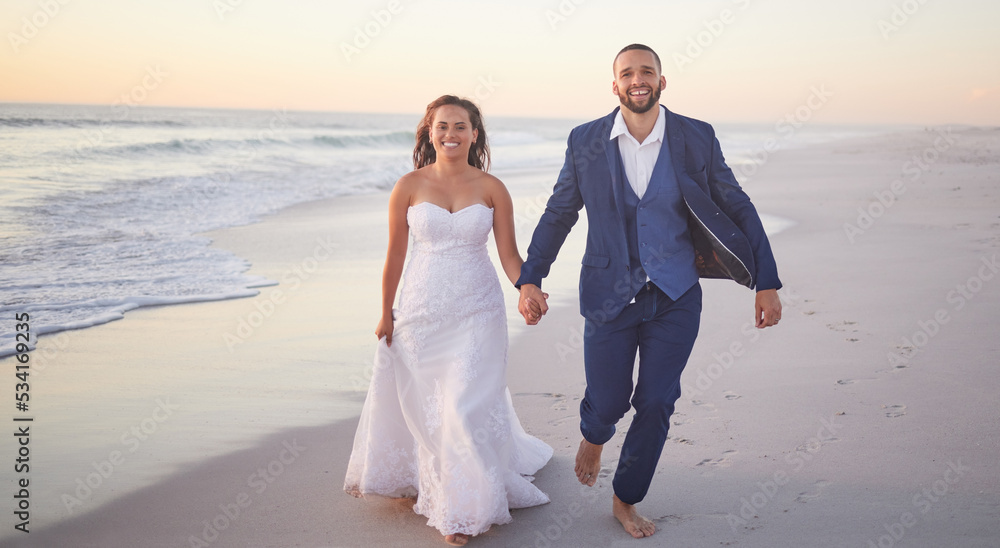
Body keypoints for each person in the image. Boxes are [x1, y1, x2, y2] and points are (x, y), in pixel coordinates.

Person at [515, 44, 783, 539]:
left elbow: (737, 203)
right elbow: (560, 212)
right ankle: (594, 434)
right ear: (614, 85)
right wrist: (532, 276)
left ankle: (625, 497)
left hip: (675, 294)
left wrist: (764, 280)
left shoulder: (696, 137)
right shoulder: (584, 141)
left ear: (662, 81)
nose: (637, 80)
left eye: (647, 72)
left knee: (657, 400)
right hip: (607, 291)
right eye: (627, 74)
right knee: (609, 399)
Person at [344, 95, 552, 546]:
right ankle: (445, 480)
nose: (451, 134)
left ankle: (460, 511)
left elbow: (510, 256)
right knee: (431, 407)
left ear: (475, 134)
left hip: (479, 310)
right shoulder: (408, 186)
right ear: (429, 131)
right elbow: (395, 255)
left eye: (460, 126)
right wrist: (386, 312)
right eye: (442, 126)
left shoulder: (492, 188)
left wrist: (528, 288)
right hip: (421, 312)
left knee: (461, 406)